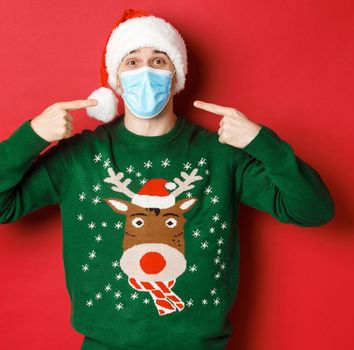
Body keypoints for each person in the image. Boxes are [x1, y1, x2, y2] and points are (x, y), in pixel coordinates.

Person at [0, 8, 334, 350]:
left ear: (177, 76)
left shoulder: (220, 155)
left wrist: (261, 142)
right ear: (115, 78)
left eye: (159, 60)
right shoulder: (80, 158)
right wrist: (31, 138)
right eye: (132, 61)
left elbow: (313, 209)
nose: (145, 71)